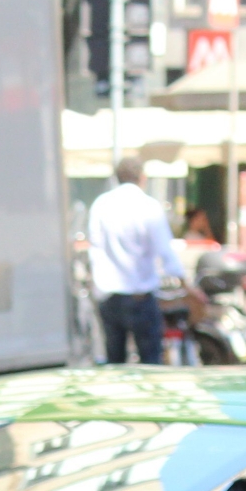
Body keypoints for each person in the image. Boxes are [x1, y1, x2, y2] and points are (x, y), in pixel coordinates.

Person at [87, 155, 185, 365]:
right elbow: (165, 251)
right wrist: (186, 284)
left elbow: (94, 248)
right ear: (142, 177)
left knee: (115, 362)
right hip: (140, 295)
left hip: (109, 295)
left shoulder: (101, 205)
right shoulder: (148, 206)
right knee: (150, 362)